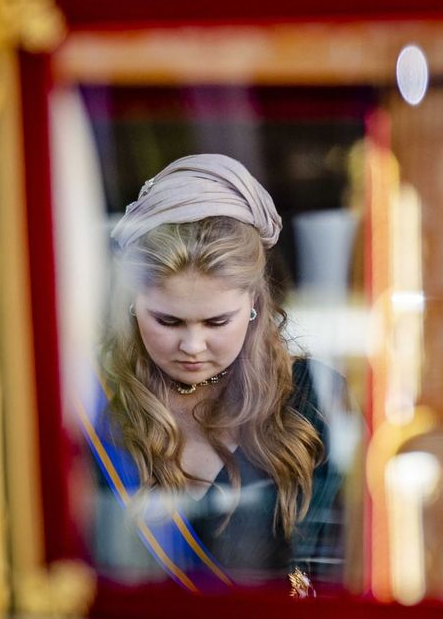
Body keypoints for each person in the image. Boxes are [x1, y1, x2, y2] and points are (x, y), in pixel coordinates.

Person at [86, 154, 347, 596]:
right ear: (132, 302)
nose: (192, 346)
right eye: (168, 321)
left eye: (215, 322)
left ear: (254, 304)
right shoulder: (94, 400)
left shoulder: (312, 396)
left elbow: (348, 567)